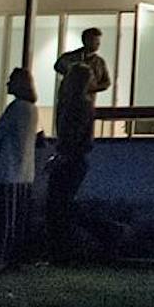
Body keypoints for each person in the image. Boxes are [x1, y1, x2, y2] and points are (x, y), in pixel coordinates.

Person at [47, 27, 110, 262]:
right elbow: (58, 65)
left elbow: (106, 83)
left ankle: (69, 249)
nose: (95, 44)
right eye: (93, 40)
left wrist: (92, 87)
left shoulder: (98, 65)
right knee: (62, 203)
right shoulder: (71, 58)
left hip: (72, 154)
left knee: (61, 203)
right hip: (72, 151)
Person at [0, 67, 38, 267]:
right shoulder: (31, 108)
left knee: (4, 218)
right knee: (18, 217)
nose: (7, 84)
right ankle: (16, 257)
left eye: (11, 81)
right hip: (24, 172)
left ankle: (3, 258)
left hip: (8, 171)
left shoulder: (16, 108)